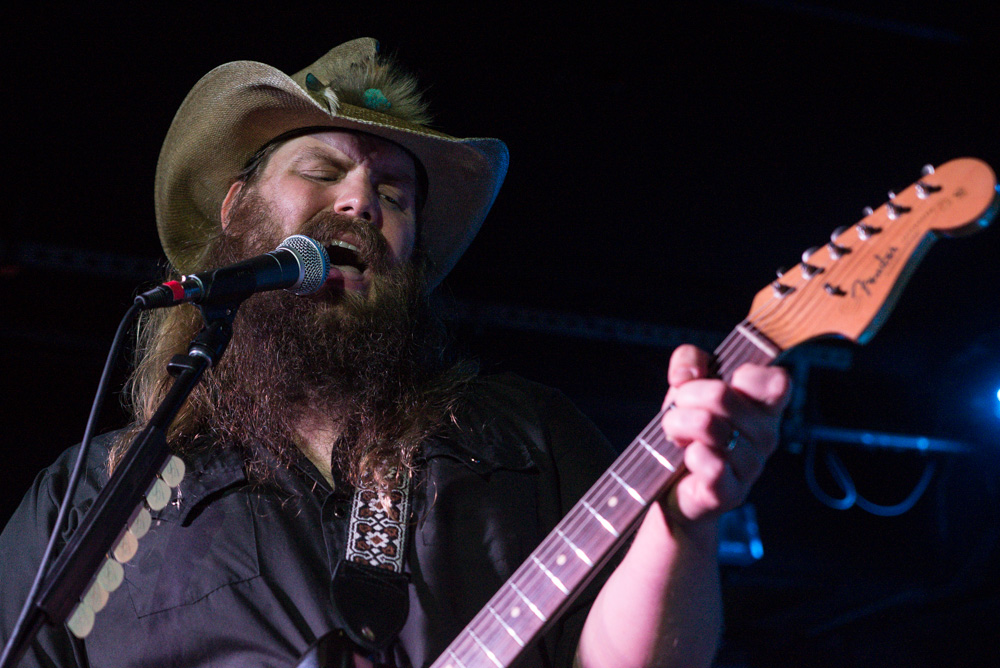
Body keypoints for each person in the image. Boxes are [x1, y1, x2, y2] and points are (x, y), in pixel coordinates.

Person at [0, 38, 789, 668]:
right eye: (322, 170)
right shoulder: (92, 498)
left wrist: (682, 522)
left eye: (394, 195)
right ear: (237, 209)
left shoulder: (529, 439)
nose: (360, 202)